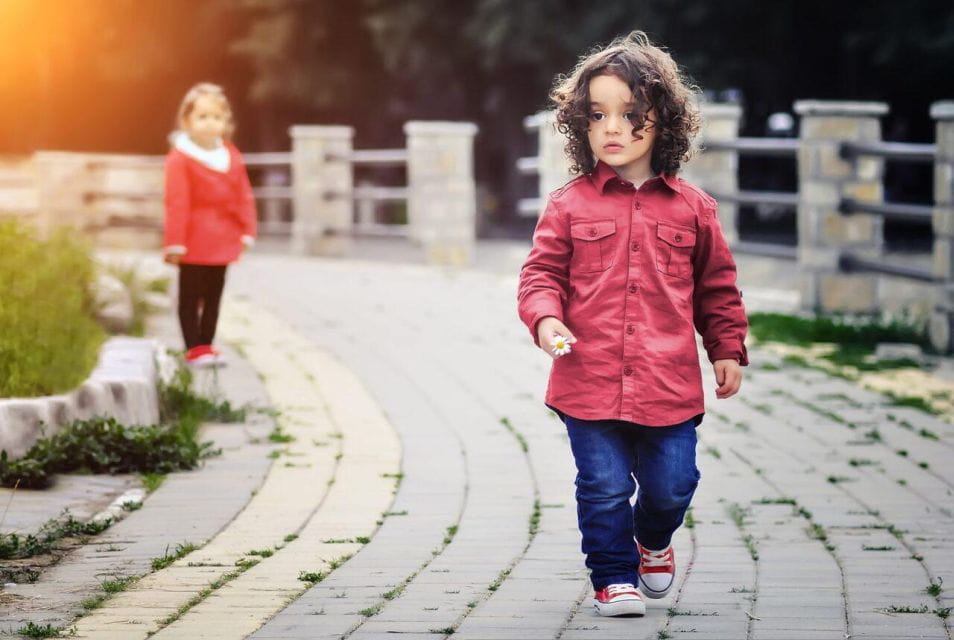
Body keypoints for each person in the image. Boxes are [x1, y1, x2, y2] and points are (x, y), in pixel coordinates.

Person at [517, 31, 748, 618]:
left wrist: (726, 346)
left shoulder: (694, 210)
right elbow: (540, 275)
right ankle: (613, 576)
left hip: (668, 384)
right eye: (597, 115)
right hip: (587, 381)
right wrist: (546, 321)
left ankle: (653, 540)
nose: (612, 128)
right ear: (580, 125)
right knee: (603, 487)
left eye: (629, 114)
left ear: (663, 122)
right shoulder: (568, 205)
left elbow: (717, 286)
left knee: (673, 485)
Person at [163, 82, 257, 366]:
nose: (209, 123)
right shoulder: (180, 159)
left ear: (226, 122)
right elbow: (177, 202)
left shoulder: (231, 156)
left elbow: (244, 195)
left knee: (214, 294)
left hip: (223, 237)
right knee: (190, 295)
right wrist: (175, 241)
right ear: (187, 120)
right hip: (192, 238)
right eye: (202, 117)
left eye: (216, 117)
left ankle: (207, 343)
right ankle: (193, 347)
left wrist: (247, 229)